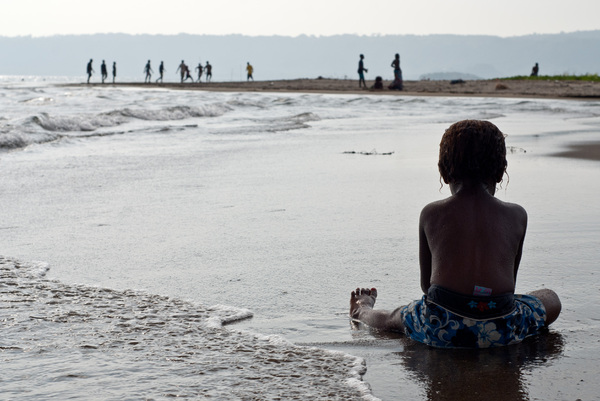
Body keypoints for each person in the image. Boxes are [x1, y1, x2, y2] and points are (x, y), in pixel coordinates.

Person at [350, 120, 561, 349]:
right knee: (549, 298)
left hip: (439, 327)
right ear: (501, 172)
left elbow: (426, 285)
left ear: (444, 171)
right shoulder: (517, 215)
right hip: (503, 328)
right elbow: (509, 284)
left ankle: (361, 310)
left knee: (394, 318)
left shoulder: (431, 213)